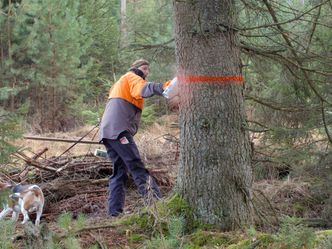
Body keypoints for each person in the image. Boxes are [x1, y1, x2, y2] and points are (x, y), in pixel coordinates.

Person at [99, 59, 171, 217]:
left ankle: (114, 213)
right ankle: (157, 205)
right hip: (119, 131)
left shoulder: (121, 81)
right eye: (144, 68)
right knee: (136, 166)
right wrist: (165, 87)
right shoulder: (132, 77)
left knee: (119, 172)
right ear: (136, 69)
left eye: (148, 69)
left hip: (109, 132)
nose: (147, 71)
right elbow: (143, 89)